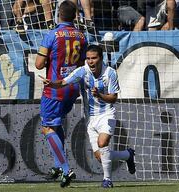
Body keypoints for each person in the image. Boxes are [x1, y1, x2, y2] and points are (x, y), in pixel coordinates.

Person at [42, 44, 136, 188]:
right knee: (101, 156)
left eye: (94, 58)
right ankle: (127, 155)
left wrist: (99, 95)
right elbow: (63, 82)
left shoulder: (110, 73)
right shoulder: (82, 71)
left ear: (101, 58)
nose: (91, 61)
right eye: (88, 58)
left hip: (107, 114)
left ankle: (107, 180)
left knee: (103, 143)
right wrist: (51, 84)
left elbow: (113, 98)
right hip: (90, 118)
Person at [35, 0, 87, 188]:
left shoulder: (52, 35)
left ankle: (66, 169)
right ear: (75, 16)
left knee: (47, 127)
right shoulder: (82, 36)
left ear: (58, 15)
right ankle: (58, 166)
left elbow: (39, 65)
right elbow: (82, 64)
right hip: (73, 87)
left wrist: (49, 56)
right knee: (56, 124)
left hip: (54, 88)